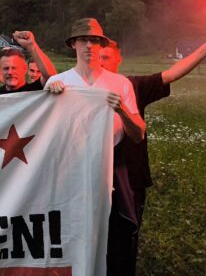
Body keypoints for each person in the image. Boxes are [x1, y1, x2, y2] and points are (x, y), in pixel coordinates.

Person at [101, 35, 206, 274]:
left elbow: (171, 74)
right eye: (98, 58)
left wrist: (204, 50)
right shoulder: (83, 89)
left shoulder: (133, 85)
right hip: (95, 178)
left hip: (131, 178)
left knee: (126, 238)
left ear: (118, 59)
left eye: (106, 57)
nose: (102, 62)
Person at [45, 18, 145, 276]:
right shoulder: (59, 82)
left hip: (108, 170)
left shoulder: (120, 84)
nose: (89, 45)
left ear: (102, 46)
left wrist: (122, 110)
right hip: (70, 171)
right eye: (83, 40)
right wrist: (48, 98)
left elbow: (138, 134)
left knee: (112, 239)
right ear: (73, 45)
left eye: (94, 41)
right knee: (71, 235)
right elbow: (44, 131)